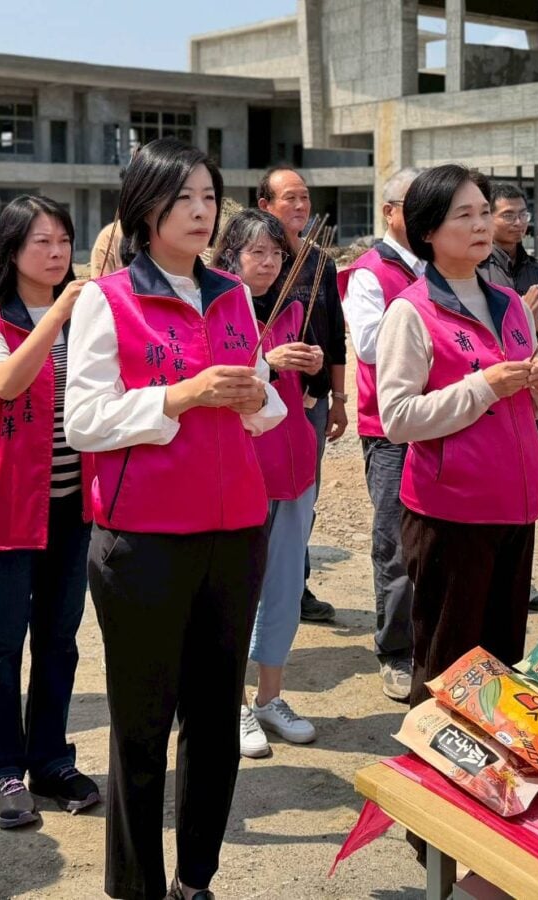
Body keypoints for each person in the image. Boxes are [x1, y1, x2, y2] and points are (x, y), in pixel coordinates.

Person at [65, 137, 284, 900]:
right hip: (144, 541)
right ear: (144, 208)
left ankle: (197, 880)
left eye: (208, 197)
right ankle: (136, 887)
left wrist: (259, 398)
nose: (200, 210)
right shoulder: (106, 299)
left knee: (215, 725)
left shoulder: (233, 295)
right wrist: (178, 398)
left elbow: (264, 400)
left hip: (234, 534)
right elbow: (85, 421)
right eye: (182, 197)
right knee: (141, 728)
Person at [376, 164, 538, 708]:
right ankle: (431, 779)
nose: (481, 225)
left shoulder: (507, 302)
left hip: (514, 505)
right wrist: (482, 386)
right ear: (428, 229)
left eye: (484, 213)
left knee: (502, 662)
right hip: (450, 512)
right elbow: (398, 417)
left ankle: (491, 776)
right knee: (447, 664)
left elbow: (524, 408)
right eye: (464, 215)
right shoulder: (412, 310)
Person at [0, 195, 100, 829]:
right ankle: (0, 768)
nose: (56, 252)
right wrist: (60, 312)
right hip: (3, 504)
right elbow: (6, 382)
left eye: (64, 240)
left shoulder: (93, 315)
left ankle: (50, 759)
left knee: (60, 641)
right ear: (11, 251)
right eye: (41, 241)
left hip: (73, 506)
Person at [212, 209, 321, 758]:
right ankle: (227, 700)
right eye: (257, 252)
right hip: (242, 468)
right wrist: (266, 364)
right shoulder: (215, 308)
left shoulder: (294, 307)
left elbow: (302, 387)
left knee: (283, 587)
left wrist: (311, 361)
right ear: (229, 255)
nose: (269, 262)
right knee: (237, 589)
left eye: (277, 253)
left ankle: (270, 696)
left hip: (296, 463)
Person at [337, 167, 422, 701]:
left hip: (441, 417)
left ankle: (432, 637)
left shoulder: (446, 264)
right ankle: (395, 647)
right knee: (394, 538)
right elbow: (369, 346)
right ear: (390, 212)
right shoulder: (371, 272)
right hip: (390, 425)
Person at [257, 164, 348, 623]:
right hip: (264, 392)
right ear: (265, 206)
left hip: (311, 399)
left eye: (304, 198)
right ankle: (256, 584)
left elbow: (334, 331)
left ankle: (296, 583)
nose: (299, 206)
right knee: (260, 493)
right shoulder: (255, 259)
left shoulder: (321, 262)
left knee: (301, 493)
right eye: (289, 198)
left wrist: (339, 397)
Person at [477, 182, 538, 613]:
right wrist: (523, 319)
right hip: (491, 399)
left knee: (524, 493)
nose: (519, 222)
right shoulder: (476, 272)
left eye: (523, 213)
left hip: (533, 400)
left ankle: (518, 582)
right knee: (488, 491)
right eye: (507, 214)